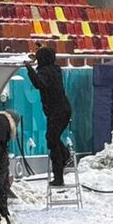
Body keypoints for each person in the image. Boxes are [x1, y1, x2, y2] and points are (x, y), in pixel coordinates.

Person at [25, 46, 72, 186]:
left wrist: (29, 69)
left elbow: (38, 84)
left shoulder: (45, 72)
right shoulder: (55, 70)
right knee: (53, 138)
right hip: (63, 109)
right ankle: (64, 156)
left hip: (57, 111)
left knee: (52, 141)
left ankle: (59, 174)